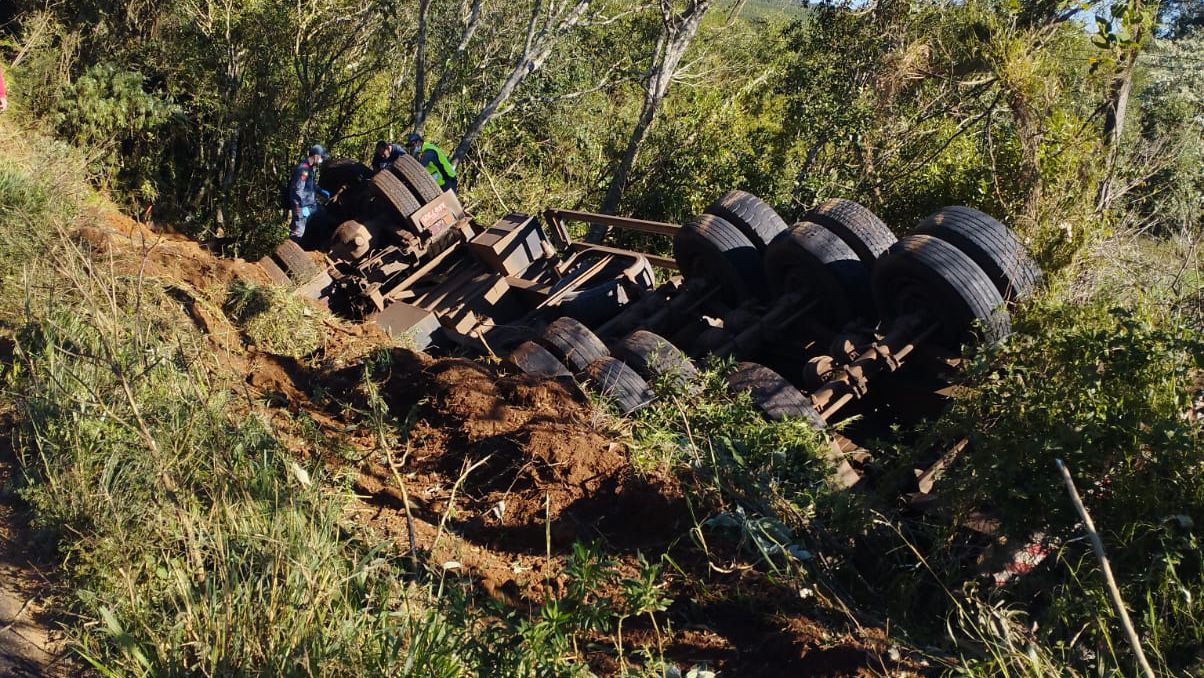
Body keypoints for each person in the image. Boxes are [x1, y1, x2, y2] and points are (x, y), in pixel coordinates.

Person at [288, 144, 328, 242]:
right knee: (298, 232)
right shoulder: (303, 169)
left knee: (321, 214)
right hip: (302, 207)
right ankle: (289, 252)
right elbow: (297, 189)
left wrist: (320, 191)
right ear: (316, 156)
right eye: (321, 157)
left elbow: (311, 184)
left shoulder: (310, 169)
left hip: (309, 206)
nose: (321, 160)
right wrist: (297, 208)